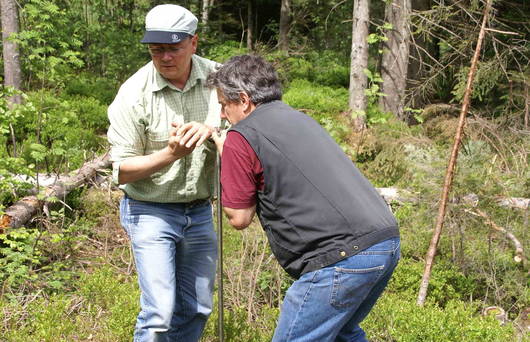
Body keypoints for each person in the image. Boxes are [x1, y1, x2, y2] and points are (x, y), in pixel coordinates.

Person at [208, 55, 400, 342]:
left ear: (244, 100)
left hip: (339, 258)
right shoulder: (299, 119)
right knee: (342, 333)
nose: (223, 114)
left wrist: (229, 157)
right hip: (385, 242)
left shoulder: (241, 136)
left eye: (224, 104)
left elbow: (239, 217)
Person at [107, 4, 221, 341]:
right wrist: (171, 154)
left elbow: (250, 120)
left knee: (198, 306)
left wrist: (214, 130)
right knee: (159, 311)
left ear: (194, 43)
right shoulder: (133, 94)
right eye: (157, 50)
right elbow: (123, 171)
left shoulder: (221, 80)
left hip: (200, 210)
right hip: (150, 210)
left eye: (174, 48)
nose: (165, 57)